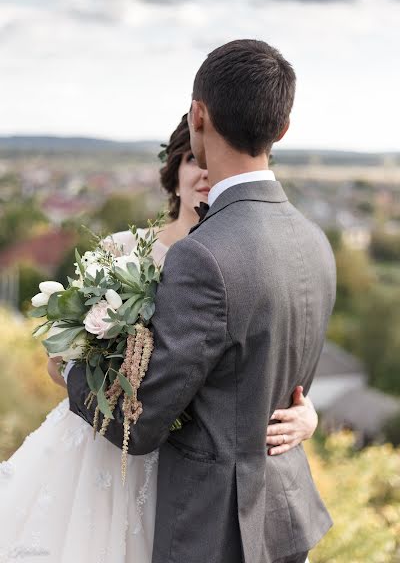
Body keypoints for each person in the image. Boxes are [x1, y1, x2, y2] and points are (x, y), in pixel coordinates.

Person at [66, 40, 336, 563]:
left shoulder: (203, 255)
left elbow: (137, 422)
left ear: (198, 115)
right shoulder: (314, 241)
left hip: (216, 531)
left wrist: (72, 368)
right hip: (284, 518)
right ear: (282, 130)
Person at [0, 123, 318, 561]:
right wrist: (87, 366)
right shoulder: (120, 250)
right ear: (175, 170)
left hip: (186, 477)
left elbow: (264, 359)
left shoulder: (241, 259)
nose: (203, 171)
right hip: (110, 452)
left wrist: (307, 414)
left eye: (206, 159)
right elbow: (59, 358)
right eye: (191, 159)